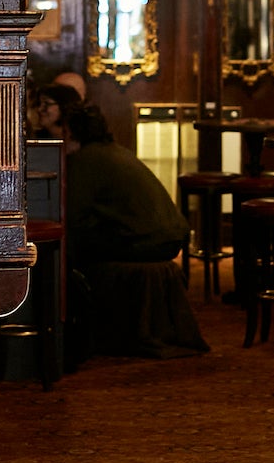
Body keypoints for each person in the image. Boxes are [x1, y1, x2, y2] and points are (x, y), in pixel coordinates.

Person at [62, 103, 209, 359]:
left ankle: (75, 332)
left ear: (71, 132)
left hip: (149, 241)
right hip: (169, 237)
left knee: (72, 250)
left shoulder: (86, 159)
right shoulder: (113, 151)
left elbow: (72, 215)